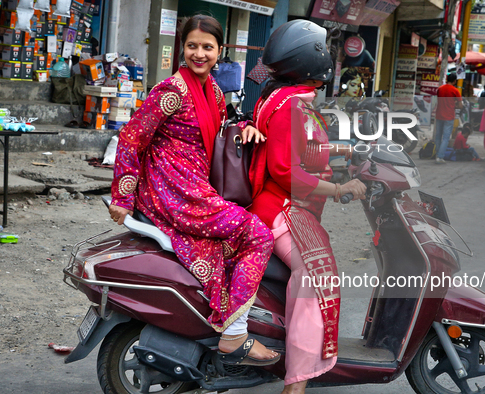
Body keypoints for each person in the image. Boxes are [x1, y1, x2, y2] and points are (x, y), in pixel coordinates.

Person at [108, 15, 279, 366]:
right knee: (259, 236)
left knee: (237, 238)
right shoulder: (172, 91)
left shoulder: (212, 90)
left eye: (207, 47)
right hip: (175, 193)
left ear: (220, 50)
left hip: (196, 188)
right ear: (182, 47)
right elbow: (131, 138)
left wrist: (246, 127)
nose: (199, 54)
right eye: (192, 46)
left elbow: (220, 129)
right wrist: (122, 197)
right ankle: (235, 335)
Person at [248, 20, 367, 394]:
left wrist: (345, 151)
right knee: (316, 277)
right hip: (282, 207)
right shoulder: (290, 105)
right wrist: (339, 188)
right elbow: (287, 171)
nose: (329, 56)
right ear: (310, 58)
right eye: (324, 49)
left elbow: (302, 150)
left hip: (285, 204)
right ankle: (296, 382)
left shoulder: (286, 96)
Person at [435, 73, 463, 164]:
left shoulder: (440, 89)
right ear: (455, 81)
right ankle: (440, 157)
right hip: (449, 116)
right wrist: (454, 106)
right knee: (446, 138)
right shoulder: (455, 90)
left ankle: (437, 155)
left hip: (439, 115)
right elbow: (460, 105)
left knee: (438, 136)